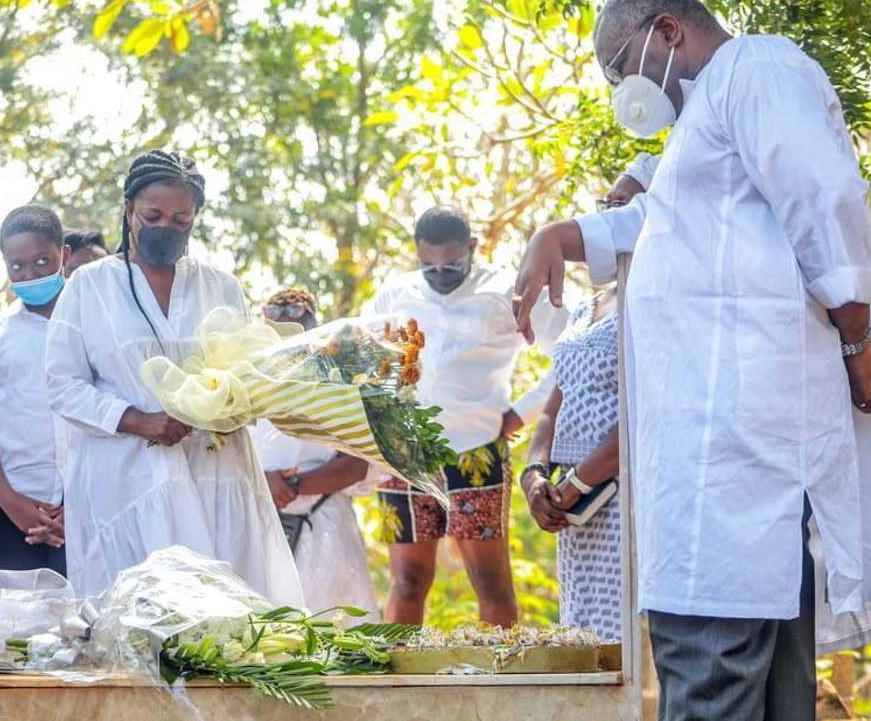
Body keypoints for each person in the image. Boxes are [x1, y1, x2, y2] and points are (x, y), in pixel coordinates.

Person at [513, 0, 871, 721]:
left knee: (710, 680)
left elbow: (825, 199)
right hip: (733, 478)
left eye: (623, 67)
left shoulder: (755, 69)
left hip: (735, 468)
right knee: (770, 694)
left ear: (668, 32)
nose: (627, 88)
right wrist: (559, 233)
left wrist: (858, 337)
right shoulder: (701, 128)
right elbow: (662, 220)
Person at [44, 149, 302, 604]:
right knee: (141, 619)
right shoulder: (88, 286)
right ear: (128, 210)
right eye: (153, 215)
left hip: (214, 469)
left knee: (226, 611)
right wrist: (138, 420)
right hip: (127, 480)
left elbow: (247, 370)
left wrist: (230, 403)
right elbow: (62, 385)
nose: (167, 227)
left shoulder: (220, 285)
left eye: (182, 220)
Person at [364, 206, 568, 626]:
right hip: (405, 455)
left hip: (476, 453)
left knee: (490, 580)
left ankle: (497, 686)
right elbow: (367, 362)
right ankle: (400, 681)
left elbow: (568, 353)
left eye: (451, 263)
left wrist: (519, 415)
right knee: (407, 579)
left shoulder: (507, 289)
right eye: (428, 265)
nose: (440, 272)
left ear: (473, 247)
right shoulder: (394, 293)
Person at [519, 164, 650, 643]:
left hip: (620, 494)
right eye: (608, 205)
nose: (611, 215)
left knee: (627, 645)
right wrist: (535, 476)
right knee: (584, 635)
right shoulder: (583, 308)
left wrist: (578, 483)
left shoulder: (652, 303)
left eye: (625, 206)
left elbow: (641, 411)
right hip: (574, 506)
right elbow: (554, 404)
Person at [249, 288, 379, 619]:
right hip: (260, 522)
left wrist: (291, 487)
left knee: (334, 630)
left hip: (325, 526)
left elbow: (355, 465)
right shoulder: (247, 382)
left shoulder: (342, 381)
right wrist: (263, 482)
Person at [0, 206, 68, 575]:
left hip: (88, 503)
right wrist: (12, 502)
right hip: (13, 508)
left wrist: (82, 502)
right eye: (16, 267)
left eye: (41, 261)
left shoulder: (91, 323)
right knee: (21, 625)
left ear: (63, 255)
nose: (30, 274)